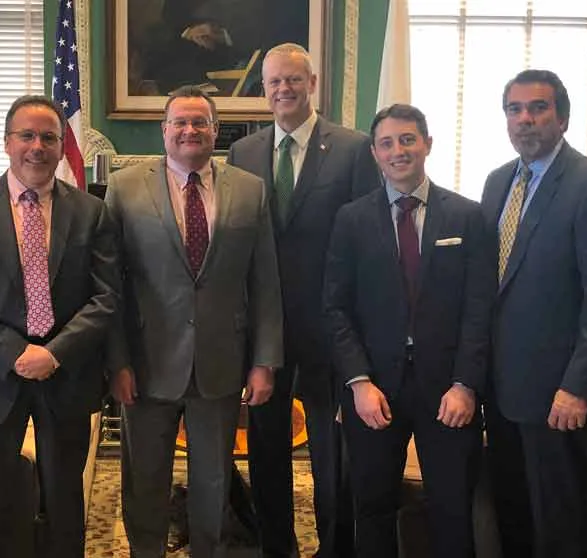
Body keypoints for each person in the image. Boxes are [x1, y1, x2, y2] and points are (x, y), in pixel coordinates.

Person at [0, 95, 119, 558]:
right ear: (7, 143)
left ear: (62, 147)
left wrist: (54, 352)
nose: (37, 147)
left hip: (66, 376)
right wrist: (14, 353)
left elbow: (106, 296)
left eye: (49, 137)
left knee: (64, 505)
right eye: (27, 136)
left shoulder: (92, 212)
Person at [106, 85, 283, 558]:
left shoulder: (250, 190)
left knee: (213, 478)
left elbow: (264, 281)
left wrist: (265, 360)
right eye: (179, 122)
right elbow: (110, 284)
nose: (189, 130)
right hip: (146, 364)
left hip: (221, 363)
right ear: (163, 130)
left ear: (215, 130)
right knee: (143, 477)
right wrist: (116, 361)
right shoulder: (124, 187)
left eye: (199, 122)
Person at [226, 42, 381, 558]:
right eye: (274, 82)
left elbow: (365, 237)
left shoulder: (354, 148)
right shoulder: (243, 153)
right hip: (265, 330)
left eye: (294, 80)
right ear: (263, 88)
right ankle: (277, 547)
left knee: (329, 449)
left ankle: (335, 547)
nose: (283, 90)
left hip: (329, 328)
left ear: (312, 84)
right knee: (265, 447)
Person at [325, 104, 495, 557]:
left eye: (407, 140)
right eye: (386, 143)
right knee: (373, 504)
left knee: (451, 506)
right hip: (374, 389)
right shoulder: (351, 220)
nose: (398, 151)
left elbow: (480, 310)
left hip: (448, 392)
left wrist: (465, 384)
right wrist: (358, 382)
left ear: (427, 145)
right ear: (375, 154)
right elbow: (336, 309)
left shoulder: (467, 217)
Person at [481, 69, 587, 558]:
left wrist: (577, 387)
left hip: (560, 395)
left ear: (562, 118)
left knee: (559, 524)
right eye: (514, 109)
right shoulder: (497, 182)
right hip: (502, 390)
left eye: (538, 108)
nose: (525, 120)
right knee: (514, 514)